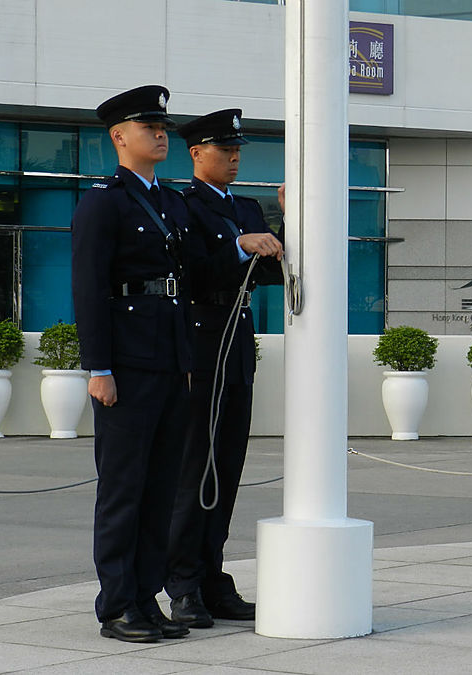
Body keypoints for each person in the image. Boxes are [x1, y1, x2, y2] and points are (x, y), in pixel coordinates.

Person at [71, 85, 198, 643]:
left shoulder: (171, 202)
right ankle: (118, 604)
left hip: (168, 359)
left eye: (164, 127)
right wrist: (98, 366)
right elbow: (89, 289)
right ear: (119, 136)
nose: (161, 135)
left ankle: (146, 599)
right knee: (124, 488)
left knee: (161, 487)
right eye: (150, 127)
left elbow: (194, 277)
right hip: (125, 361)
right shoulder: (104, 200)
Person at [166, 109, 284, 627]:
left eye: (237, 150)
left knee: (228, 468)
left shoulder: (248, 208)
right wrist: (238, 244)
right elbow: (189, 265)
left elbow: (278, 271)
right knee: (195, 469)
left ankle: (212, 575)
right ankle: (182, 582)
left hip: (235, 342)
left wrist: (290, 219)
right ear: (196, 154)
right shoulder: (181, 205)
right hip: (199, 341)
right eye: (223, 150)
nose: (234, 158)